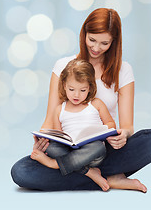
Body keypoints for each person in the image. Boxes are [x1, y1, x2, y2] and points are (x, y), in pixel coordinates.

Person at [11, 8, 151, 192]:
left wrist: (123, 135)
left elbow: (127, 126)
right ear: (84, 33)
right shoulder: (63, 66)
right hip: (67, 148)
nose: (95, 48)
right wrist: (42, 140)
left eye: (104, 43)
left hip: (102, 148)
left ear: (114, 42)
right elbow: (51, 120)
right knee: (21, 171)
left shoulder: (123, 70)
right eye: (92, 39)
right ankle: (106, 177)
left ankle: (86, 173)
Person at [31, 59, 117, 191]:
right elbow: (58, 135)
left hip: (92, 153)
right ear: (64, 85)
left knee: (99, 147)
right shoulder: (59, 109)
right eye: (72, 89)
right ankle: (88, 172)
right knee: (52, 148)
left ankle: (54, 164)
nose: (76, 95)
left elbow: (111, 123)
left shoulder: (96, 104)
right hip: (69, 151)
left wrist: (105, 130)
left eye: (83, 90)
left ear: (90, 88)